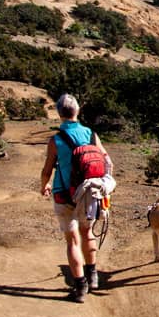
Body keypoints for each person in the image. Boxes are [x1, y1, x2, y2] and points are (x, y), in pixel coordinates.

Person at [40, 94, 109, 302]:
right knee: (87, 232)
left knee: (72, 240)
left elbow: (47, 170)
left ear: (59, 113)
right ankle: (93, 274)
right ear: (77, 111)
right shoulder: (91, 135)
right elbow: (106, 161)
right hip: (89, 193)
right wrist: (105, 186)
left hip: (64, 194)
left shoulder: (56, 140)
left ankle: (80, 288)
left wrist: (44, 185)